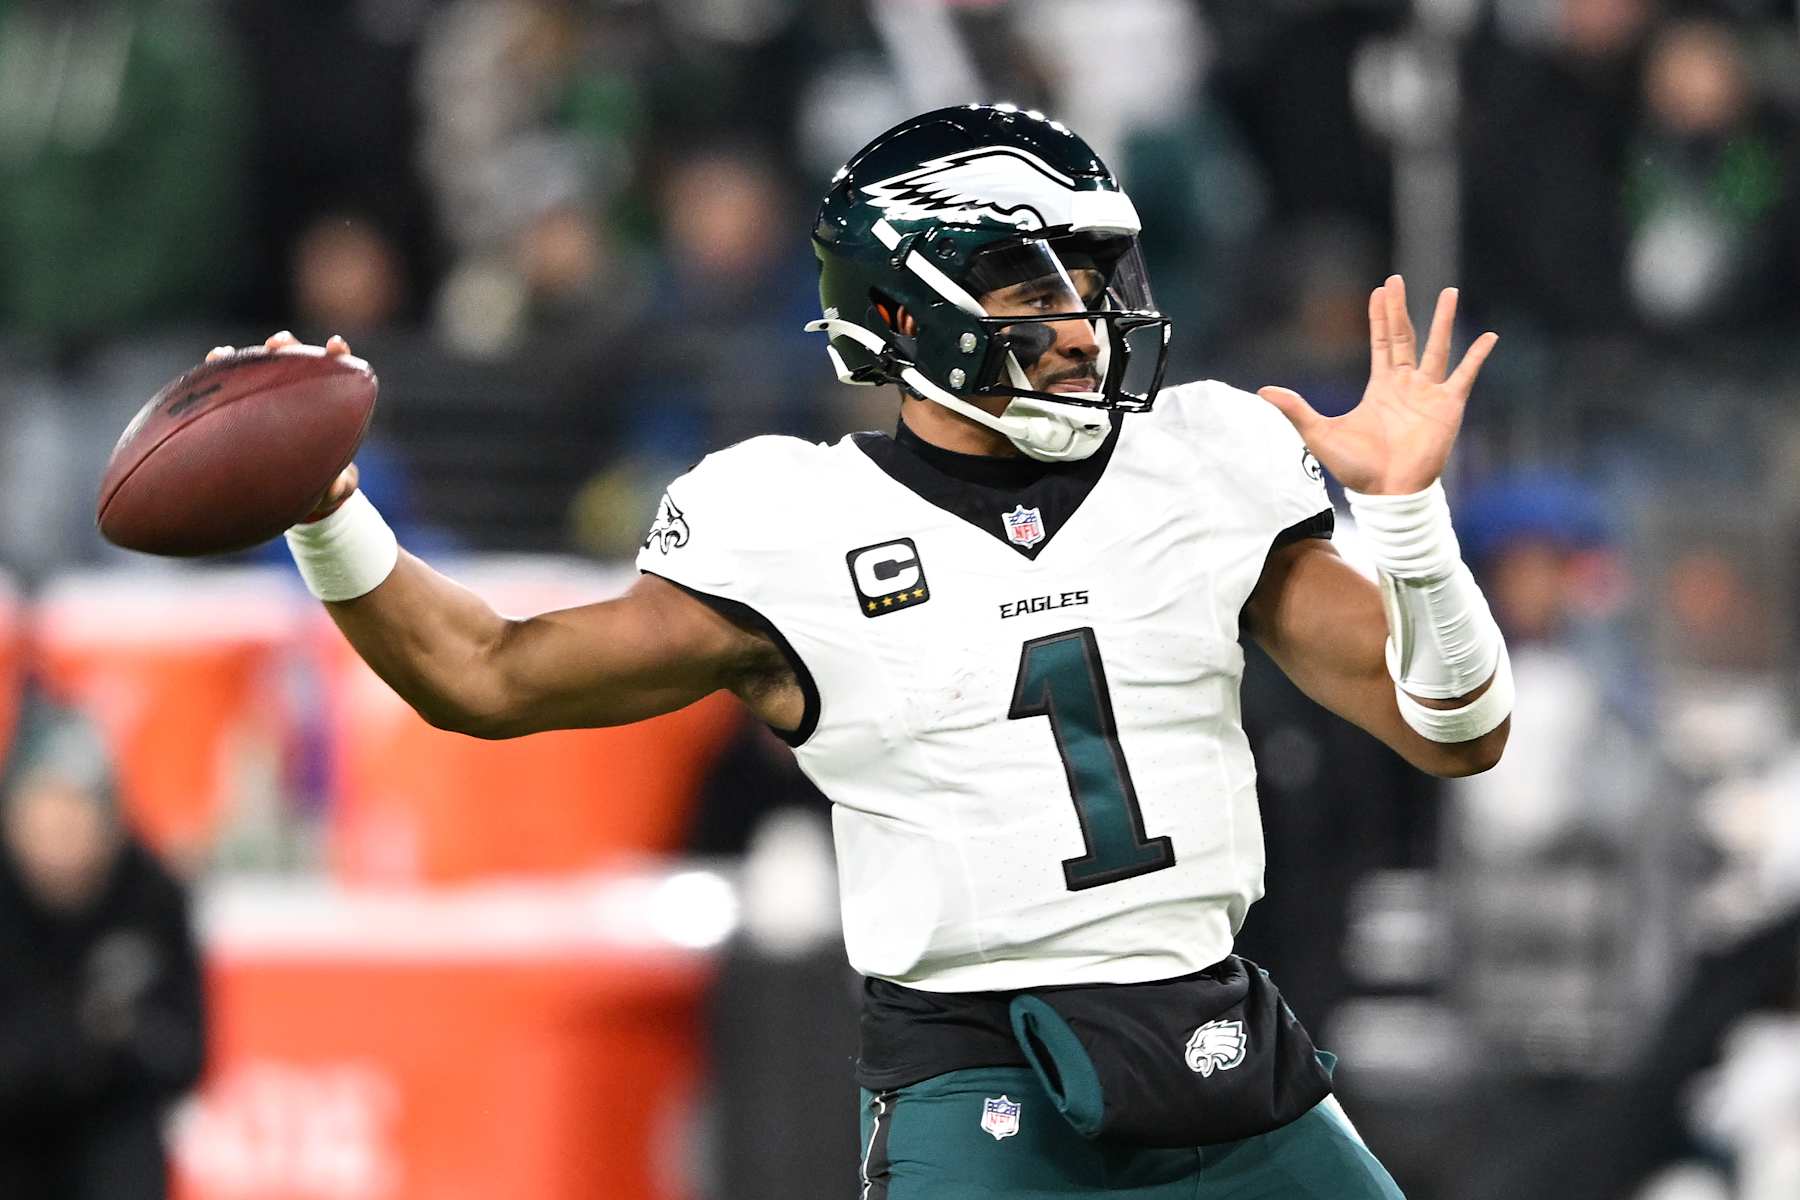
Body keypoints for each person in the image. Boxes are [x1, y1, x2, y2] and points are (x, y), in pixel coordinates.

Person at [213, 105, 1509, 1198]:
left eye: (1094, 277)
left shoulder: (1207, 459)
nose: (1082, 320)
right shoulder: (791, 520)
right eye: (1030, 284)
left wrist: (1405, 518)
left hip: (1224, 1054)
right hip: (981, 1082)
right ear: (905, 313)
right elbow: (486, 673)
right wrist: (329, 513)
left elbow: (1456, 730)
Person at [0, 692, 206, 1200]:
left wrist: (116, 1039)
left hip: (111, 1132)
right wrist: (71, 1043)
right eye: (47, 809)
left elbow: (188, 1054)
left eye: (78, 810)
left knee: (128, 1146)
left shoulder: (152, 895)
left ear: (111, 821)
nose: (61, 831)